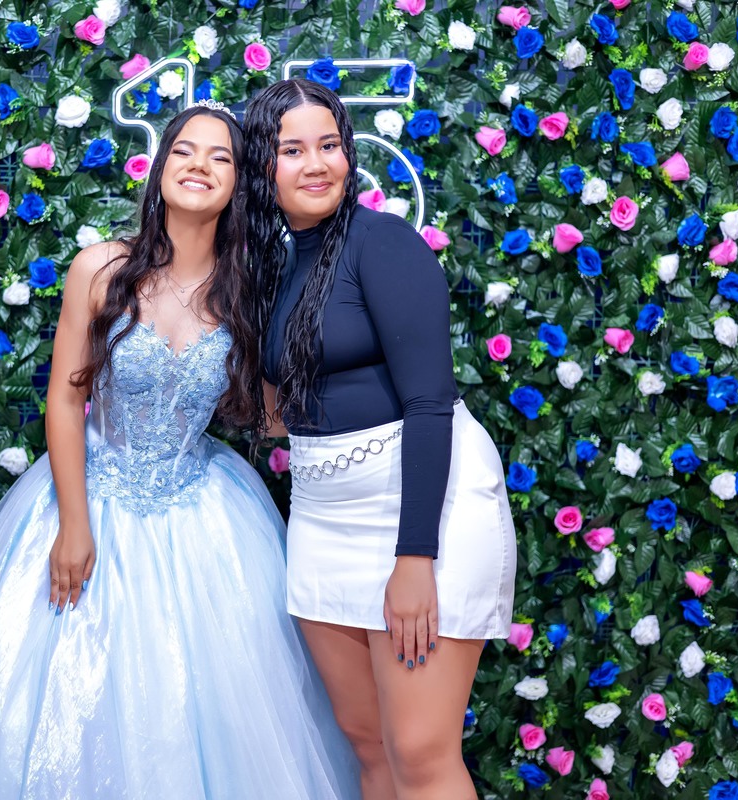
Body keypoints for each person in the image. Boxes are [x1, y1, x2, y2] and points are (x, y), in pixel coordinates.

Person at [0, 102, 358, 799]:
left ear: (240, 183)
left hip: (203, 516)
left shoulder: (249, 291)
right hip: (93, 496)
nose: (199, 166)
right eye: (184, 151)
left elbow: (271, 414)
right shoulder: (102, 268)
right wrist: (75, 524)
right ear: (161, 168)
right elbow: (66, 401)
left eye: (220, 156)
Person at [243, 78, 517, 800]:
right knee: (368, 745)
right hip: (323, 513)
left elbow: (429, 405)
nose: (316, 164)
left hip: (420, 507)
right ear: (261, 164)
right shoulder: (276, 264)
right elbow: (276, 409)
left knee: (420, 753)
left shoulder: (384, 243)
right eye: (292, 149)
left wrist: (415, 560)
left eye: (329, 145)